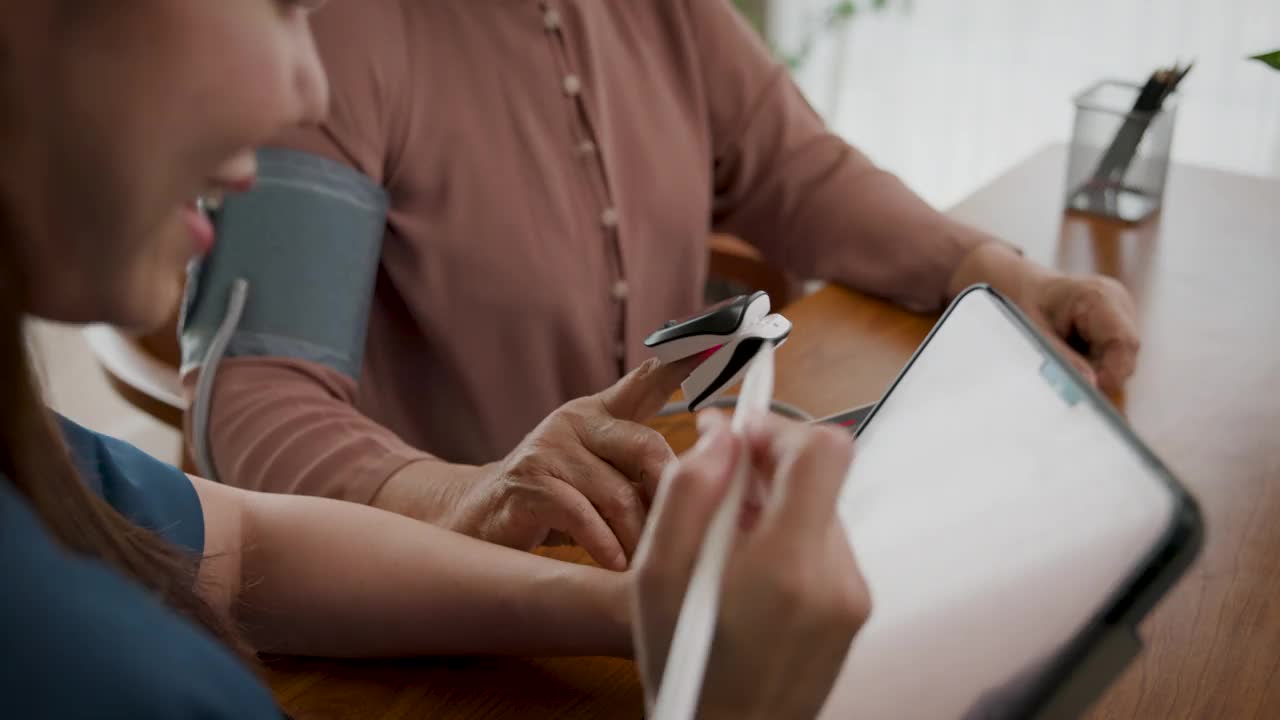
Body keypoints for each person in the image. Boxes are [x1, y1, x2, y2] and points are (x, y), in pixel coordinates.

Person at [0, 1, 868, 717]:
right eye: (281, 5)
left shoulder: (49, 465)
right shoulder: (113, 677)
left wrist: (637, 613)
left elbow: (240, 533)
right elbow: (257, 402)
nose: (305, 86)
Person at [181, 0, 1141, 570]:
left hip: (669, 561)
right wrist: (465, 499)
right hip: (462, 616)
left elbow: (795, 170)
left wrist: (993, 272)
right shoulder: (322, 32)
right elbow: (255, 393)